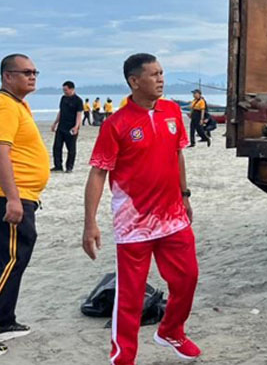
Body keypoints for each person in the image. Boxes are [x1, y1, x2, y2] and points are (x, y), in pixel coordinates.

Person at [82, 53, 200, 365]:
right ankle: (123, 356)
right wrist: (90, 223)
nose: (161, 79)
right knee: (131, 295)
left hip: (173, 215)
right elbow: (98, 172)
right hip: (134, 222)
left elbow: (177, 155)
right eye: (154, 74)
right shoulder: (116, 124)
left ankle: (171, 331)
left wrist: (184, 195)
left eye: (162, 73)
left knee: (187, 278)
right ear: (135, 81)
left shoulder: (173, 111)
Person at [0, 54, 50, 355]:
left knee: (14, 260)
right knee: (8, 261)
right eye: (26, 72)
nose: (33, 76)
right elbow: (1, 153)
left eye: (35, 71)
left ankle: (5, 320)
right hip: (12, 197)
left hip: (24, 196)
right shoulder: (5, 105)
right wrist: (14, 197)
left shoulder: (18, 104)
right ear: (7, 76)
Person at [50, 80, 84, 173]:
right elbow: (61, 112)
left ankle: (69, 167)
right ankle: (58, 166)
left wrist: (76, 127)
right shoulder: (63, 98)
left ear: (72, 89)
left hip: (71, 127)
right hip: (61, 127)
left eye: (66, 90)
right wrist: (55, 123)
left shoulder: (78, 101)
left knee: (71, 149)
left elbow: (79, 115)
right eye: (63, 90)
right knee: (56, 147)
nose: (64, 92)